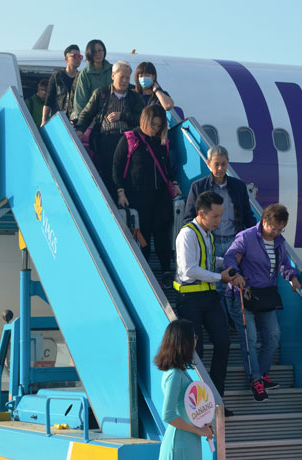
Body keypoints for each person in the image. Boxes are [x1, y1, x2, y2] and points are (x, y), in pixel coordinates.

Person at [223, 204, 301, 402]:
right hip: (243, 294)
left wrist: (292, 277)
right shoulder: (247, 237)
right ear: (264, 221)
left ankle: (263, 372)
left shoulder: (279, 243)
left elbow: (284, 265)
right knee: (249, 337)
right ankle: (255, 379)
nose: (276, 232)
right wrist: (235, 275)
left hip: (265, 296)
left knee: (274, 335)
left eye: (280, 229)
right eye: (273, 228)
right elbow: (230, 258)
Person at [173, 191, 241, 413]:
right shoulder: (187, 234)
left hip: (209, 297)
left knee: (223, 343)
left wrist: (228, 263)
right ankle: (198, 406)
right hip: (190, 298)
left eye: (221, 216)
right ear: (201, 213)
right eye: (215, 216)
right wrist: (219, 277)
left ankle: (216, 402)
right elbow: (188, 269)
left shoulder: (208, 235)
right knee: (196, 352)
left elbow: (209, 261)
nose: (219, 221)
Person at [184, 145, 256, 326]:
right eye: (216, 164)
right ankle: (221, 322)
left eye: (224, 164)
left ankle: (234, 321)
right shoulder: (198, 187)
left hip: (234, 242)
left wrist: (257, 237)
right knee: (215, 288)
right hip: (210, 242)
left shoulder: (238, 187)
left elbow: (247, 215)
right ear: (208, 164)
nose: (220, 168)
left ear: (228, 163)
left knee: (235, 285)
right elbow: (188, 218)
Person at [112, 104, 179, 273]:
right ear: (144, 121)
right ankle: (145, 272)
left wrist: (175, 184)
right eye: (153, 125)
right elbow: (117, 167)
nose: (155, 129)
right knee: (144, 234)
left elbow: (167, 167)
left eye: (159, 126)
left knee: (162, 234)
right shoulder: (130, 139)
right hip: (139, 195)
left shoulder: (163, 142)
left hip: (160, 195)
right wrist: (121, 192)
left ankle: (166, 271)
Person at [76, 60, 144, 197]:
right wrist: (80, 129)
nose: (125, 81)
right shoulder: (101, 93)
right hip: (107, 139)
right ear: (113, 76)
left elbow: (142, 119)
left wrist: (123, 116)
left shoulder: (134, 97)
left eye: (127, 77)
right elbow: (87, 113)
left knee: (127, 172)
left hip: (128, 140)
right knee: (109, 172)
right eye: (122, 77)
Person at [155, 319, 213, 460]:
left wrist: (202, 422)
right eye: (194, 337)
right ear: (184, 342)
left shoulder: (179, 372)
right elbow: (168, 415)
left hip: (187, 440)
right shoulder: (175, 374)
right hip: (180, 443)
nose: (195, 341)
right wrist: (198, 430)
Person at [41, 44, 82, 126]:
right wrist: (44, 121)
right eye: (75, 56)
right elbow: (48, 101)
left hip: (75, 122)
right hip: (58, 120)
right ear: (66, 59)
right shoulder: (56, 76)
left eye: (80, 57)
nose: (78, 59)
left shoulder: (82, 77)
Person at [72, 39, 112, 120]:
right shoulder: (85, 74)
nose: (98, 54)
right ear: (89, 54)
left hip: (112, 118)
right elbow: (80, 102)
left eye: (100, 50)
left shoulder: (113, 70)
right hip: (92, 121)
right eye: (94, 52)